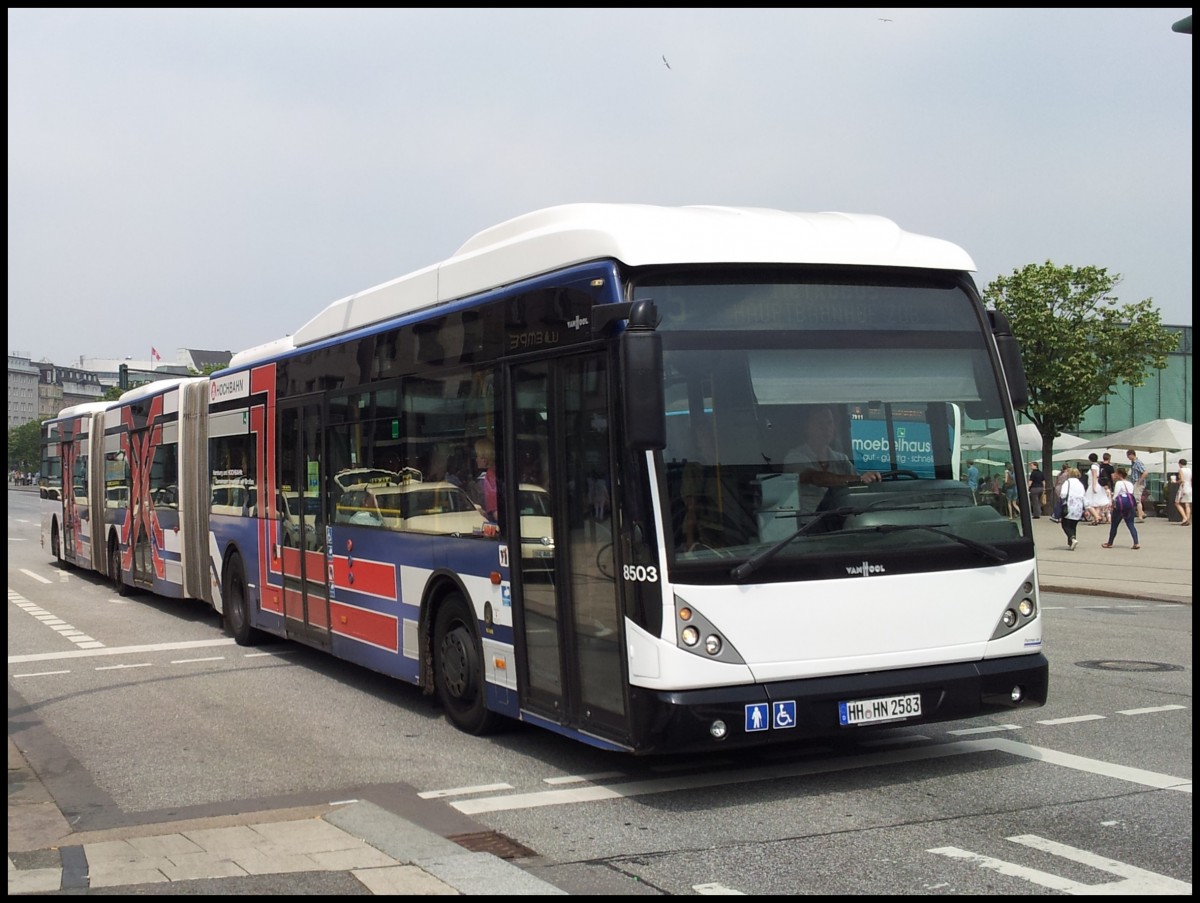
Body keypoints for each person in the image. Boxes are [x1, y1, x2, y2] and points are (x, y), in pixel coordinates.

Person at [784, 405, 880, 503]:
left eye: (829, 423)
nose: (826, 428)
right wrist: (859, 479)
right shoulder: (794, 458)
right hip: (809, 517)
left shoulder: (841, 459)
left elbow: (860, 488)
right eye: (819, 423)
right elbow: (816, 478)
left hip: (842, 515)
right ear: (806, 427)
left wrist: (870, 479)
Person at [1101, 466, 1140, 550]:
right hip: (1130, 506)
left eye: (1116, 473)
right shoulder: (1130, 483)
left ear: (1119, 474)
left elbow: (1115, 496)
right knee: (1131, 524)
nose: (1114, 475)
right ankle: (1136, 542)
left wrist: (1111, 504)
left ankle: (1110, 543)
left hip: (1120, 507)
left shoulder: (1118, 483)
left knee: (1114, 525)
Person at [1058, 466, 1086, 551]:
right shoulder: (1080, 484)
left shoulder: (1067, 482)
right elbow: (1083, 495)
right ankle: (1071, 542)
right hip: (1079, 506)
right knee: (1073, 525)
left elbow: (1063, 494)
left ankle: (1072, 538)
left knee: (1065, 524)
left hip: (1069, 505)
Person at [473, 437, 498, 522]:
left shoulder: (489, 478)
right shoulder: (495, 474)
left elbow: (495, 513)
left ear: (485, 459)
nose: (476, 460)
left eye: (478, 456)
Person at [1082, 453, 1109, 525]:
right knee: (1097, 504)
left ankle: (1096, 517)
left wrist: (1093, 486)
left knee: (1088, 502)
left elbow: (1094, 476)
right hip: (1099, 485)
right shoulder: (1098, 465)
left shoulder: (1093, 466)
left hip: (1094, 484)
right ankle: (1096, 519)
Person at [1125, 449, 1147, 522]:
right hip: (1135, 482)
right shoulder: (1133, 463)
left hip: (1138, 483)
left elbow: (1145, 472)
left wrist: (1139, 481)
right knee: (1136, 499)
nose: (1128, 458)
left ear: (1131, 455)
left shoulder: (1137, 463)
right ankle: (1142, 513)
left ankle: (1140, 516)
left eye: (1128, 456)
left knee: (1137, 500)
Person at [1175, 457, 1192, 526]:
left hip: (1183, 487)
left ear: (1180, 464)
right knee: (1187, 504)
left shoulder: (1181, 470)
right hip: (1189, 487)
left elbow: (1182, 480)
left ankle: (1184, 518)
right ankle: (1187, 518)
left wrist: (1175, 482)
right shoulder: (1189, 469)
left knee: (1177, 503)